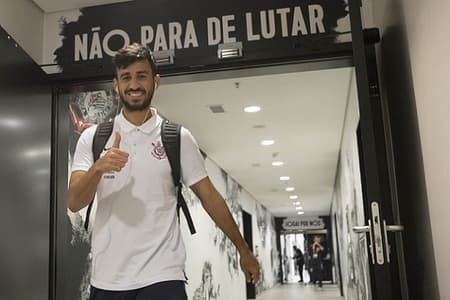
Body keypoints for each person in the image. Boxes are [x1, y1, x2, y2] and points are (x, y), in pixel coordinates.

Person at [67, 43, 260, 300]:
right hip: (108, 279)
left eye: (141, 76)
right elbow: (74, 201)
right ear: (116, 85)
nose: (134, 84)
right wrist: (99, 167)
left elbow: (210, 198)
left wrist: (243, 250)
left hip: (163, 275)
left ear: (156, 81)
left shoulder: (178, 138)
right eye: (126, 77)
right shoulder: (93, 138)